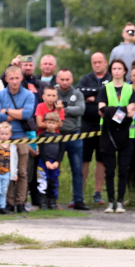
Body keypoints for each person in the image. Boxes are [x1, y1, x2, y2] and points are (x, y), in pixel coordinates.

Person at [0, 65, 35, 213]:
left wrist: (7, 111)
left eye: (17, 78)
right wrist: (17, 113)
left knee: (22, 172)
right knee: (5, 171)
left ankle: (21, 202)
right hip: (4, 139)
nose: (14, 81)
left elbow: (27, 114)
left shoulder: (28, 95)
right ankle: (8, 202)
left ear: (21, 78)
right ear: (6, 79)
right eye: (11, 78)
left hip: (21, 137)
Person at [98, 59, 135, 214]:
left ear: (125, 71)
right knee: (109, 170)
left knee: (123, 170)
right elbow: (101, 110)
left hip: (126, 133)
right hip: (108, 133)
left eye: (119, 68)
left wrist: (111, 112)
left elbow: (132, 112)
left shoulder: (130, 89)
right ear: (111, 71)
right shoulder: (105, 88)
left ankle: (120, 201)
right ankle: (110, 201)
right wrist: (123, 111)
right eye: (114, 68)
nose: (116, 71)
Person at [77, 52, 111, 205]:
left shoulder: (111, 78)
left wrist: (92, 97)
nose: (97, 65)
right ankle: (80, 193)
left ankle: (98, 192)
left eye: (99, 62)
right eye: (94, 62)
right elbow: (79, 93)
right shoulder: (86, 78)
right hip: (87, 124)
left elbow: (111, 95)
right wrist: (100, 95)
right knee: (84, 159)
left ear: (105, 62)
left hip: (105, 125)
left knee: (101, 159)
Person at [54, 69, 89, 210]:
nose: (64, 82)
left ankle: (78, 199)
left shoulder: (77, 94)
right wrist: (69, 109)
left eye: (67, 79)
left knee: (77, 169)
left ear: (72, 80)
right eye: (62, 79)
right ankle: (52, 199)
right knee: (54, 168)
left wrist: (62, 109)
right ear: (57, 80)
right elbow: (50, 110)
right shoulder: (53, 93)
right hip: (57, 135)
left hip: (75, 135)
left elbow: (80, 110)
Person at [32, 85, 65, 207]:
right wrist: (51, 122)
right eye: (49, 95)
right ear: (43, 96)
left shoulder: (60, 108)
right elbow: (39, 124)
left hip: (55, 154)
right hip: (44, 152)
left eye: (53, 95)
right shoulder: (40, 106)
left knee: (53, 179)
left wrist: (58, 111)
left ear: (57, 96)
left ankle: (52, 201)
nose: (51, 98)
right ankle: (41, 201)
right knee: (41, 178)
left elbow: (59, 124)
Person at [37, 112, 65, 210]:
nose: (51, 125)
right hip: (44, 162)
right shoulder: (43, 135)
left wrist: (57, 161)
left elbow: (62, 151)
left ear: (57, 124)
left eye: (53, 123)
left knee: (54, 181)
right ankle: (43, 202)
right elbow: (41, 150)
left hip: (55, 163)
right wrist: (46, 161)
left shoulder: (60, 136)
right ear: (45, 123)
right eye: (49, 122)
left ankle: (52, 201)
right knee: (42, 182)